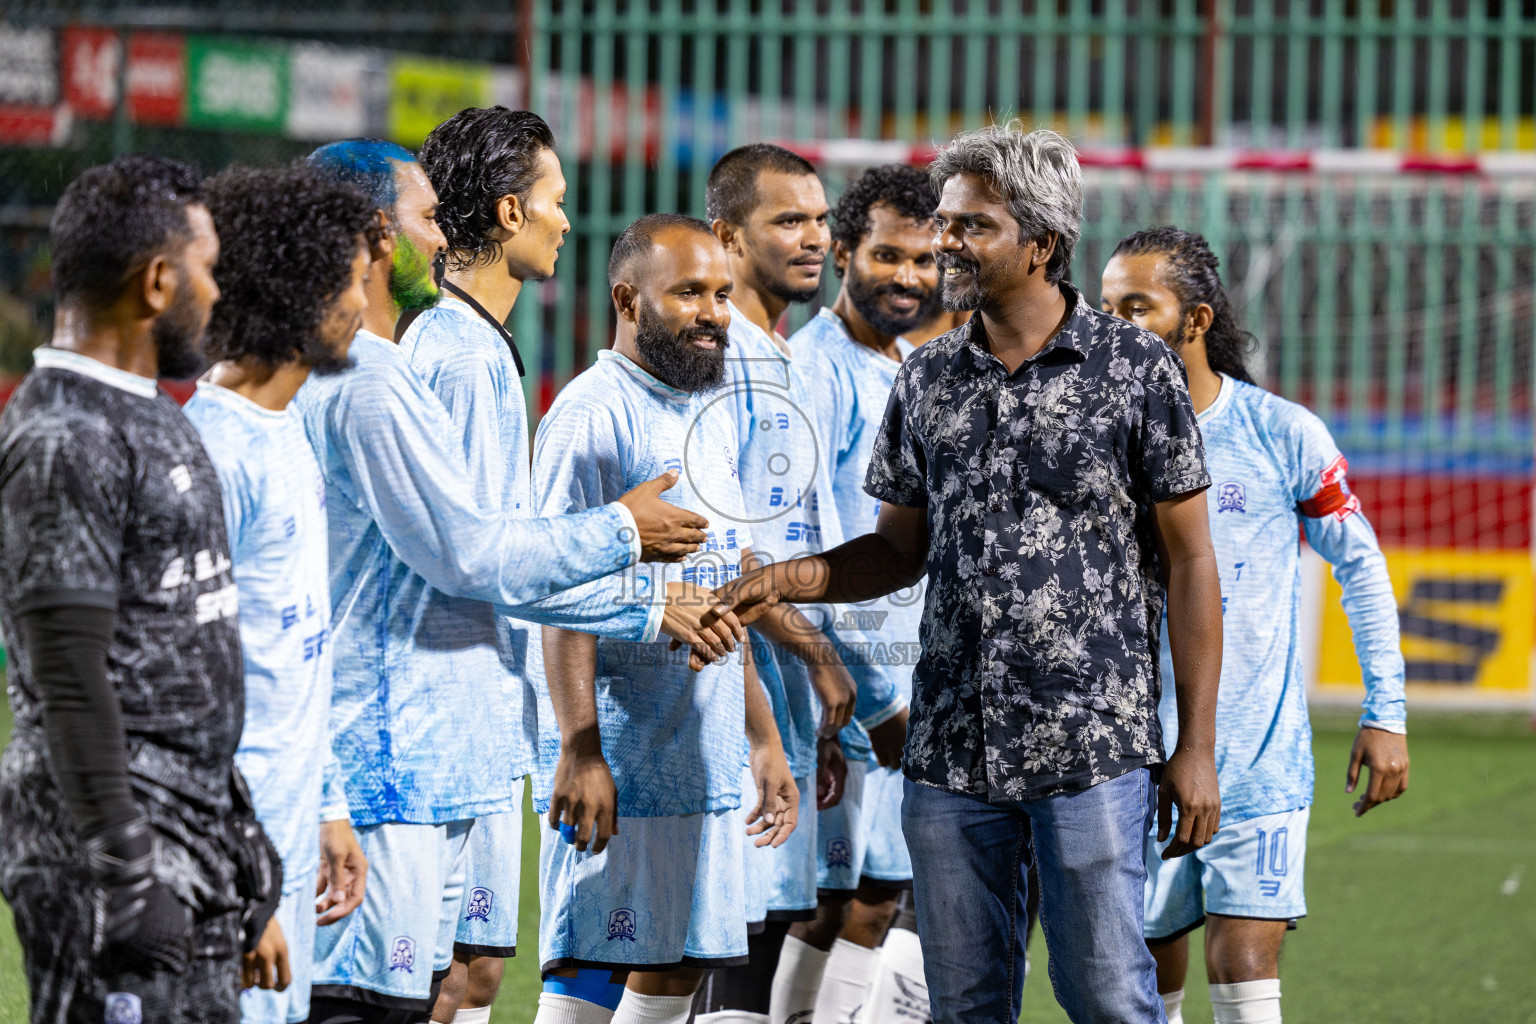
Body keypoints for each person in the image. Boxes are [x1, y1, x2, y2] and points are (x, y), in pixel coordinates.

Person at [718, 123, 1226, 1024]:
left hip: (1094, 750)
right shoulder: (928, 379)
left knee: (1109, 999)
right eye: (946, 222)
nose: (947, 241)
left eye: (972, 226)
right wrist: (792, 578)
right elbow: (895, 550)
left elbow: (1190, 561)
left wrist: (1193, 747)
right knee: (963, 1008)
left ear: (1044, 243)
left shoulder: (1135, 368)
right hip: (950, 755)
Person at [299, 141, 738, 1024]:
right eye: (557, 197)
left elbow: (500, 556)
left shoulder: (468, 348)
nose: (570, 220)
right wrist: (629, 552)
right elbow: (480, 558)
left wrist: (650, 597)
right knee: (404, 992)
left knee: (460, 979)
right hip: (404, 745)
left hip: (456, 736)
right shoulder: (442, 359)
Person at [1101, 227, 1410, 1024]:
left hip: (1259, 764)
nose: (1113, 327)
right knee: (1141, 991)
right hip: (1130, 765)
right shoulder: (1096, 439)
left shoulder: (1280, 433)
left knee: (1242, 967)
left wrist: (1387, 711)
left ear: (1195, 320)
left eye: (1137, 307)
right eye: (1105, 309)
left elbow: (1361, 565)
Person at [0, 155, 279, 1023]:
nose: (219, 290)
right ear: (159, 281)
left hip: (189, 848)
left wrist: (237, 847)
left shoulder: (155, 413)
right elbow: (66, 672)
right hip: (110, 860)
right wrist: (126, 869)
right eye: (208, 268)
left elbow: (185, 657)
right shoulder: (62, 432)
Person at [530, 214, 799, 1024]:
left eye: (721, 293)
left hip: (704, 763)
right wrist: (580, 747)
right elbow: (549, 588)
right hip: (625, 759)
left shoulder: (708, 411)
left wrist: (763, 736)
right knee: (590, 972)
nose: (714, 311)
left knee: (675, 978)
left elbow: (728, 595)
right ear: (627, 298)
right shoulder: (591, 412)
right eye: (688, 292)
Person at [184, 165, 377, 1024]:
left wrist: (328, 804)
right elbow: (184, 695)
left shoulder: (288, 428)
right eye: (350, 284)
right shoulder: (213, 455)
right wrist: (238, 879)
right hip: (225, 855)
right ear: (300, 296)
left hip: (288, 834)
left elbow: (294, 657)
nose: (365, 307)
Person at [693, 143, 870, 1024]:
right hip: (736, 686)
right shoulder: (721, 362)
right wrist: (818, 656)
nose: (814, 238)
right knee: (721, 939)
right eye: (787, 220)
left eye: (819, 218)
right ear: (726, 237)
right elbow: (725, 556)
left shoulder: (786, 358)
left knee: (764, 929)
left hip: (784, 696)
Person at [778, 163, 940, 1024]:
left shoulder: (911, 366)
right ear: (843, 252)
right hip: (848, 690)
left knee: (877, 895)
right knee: (826, 902)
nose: (909, 277)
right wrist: (871, 698)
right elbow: (806, 546)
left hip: (902, 681)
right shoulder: (817, 373)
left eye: (923, 259)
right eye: (888, 255)